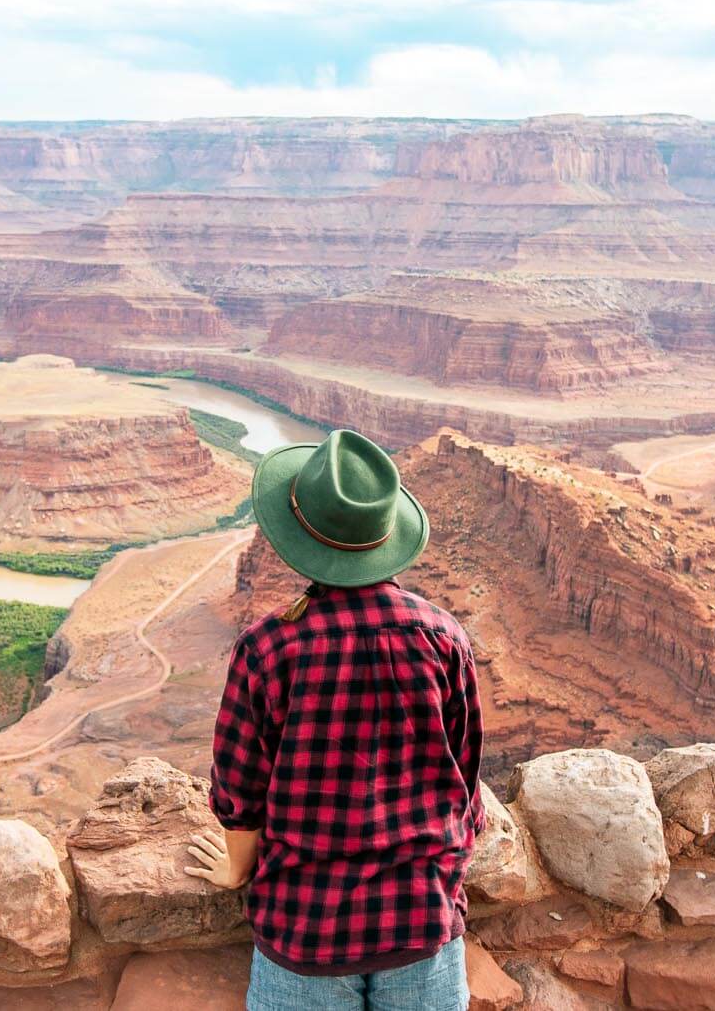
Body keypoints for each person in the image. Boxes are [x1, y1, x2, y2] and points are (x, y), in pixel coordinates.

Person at [185, 429, 484, 1011]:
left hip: (304, 931)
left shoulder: (268, 647)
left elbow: (240, 793)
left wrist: (233, 869)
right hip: (423, 923)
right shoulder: (445, 638)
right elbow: (464, 779)